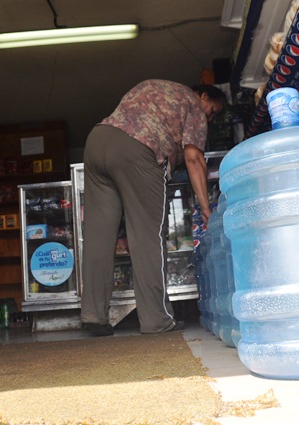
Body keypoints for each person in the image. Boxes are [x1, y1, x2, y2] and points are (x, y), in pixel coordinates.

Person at [80, 79, 226, 336]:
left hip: (97, 142)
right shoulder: (192, 105)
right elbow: (193, 158)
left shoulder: (154, 87)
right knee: (148, 236)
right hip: (138, 149)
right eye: (212, 110)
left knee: (98, 237)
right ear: (203, 96)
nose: (209, 119)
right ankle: (156, 319)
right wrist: (206, 207)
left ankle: (93, 314)